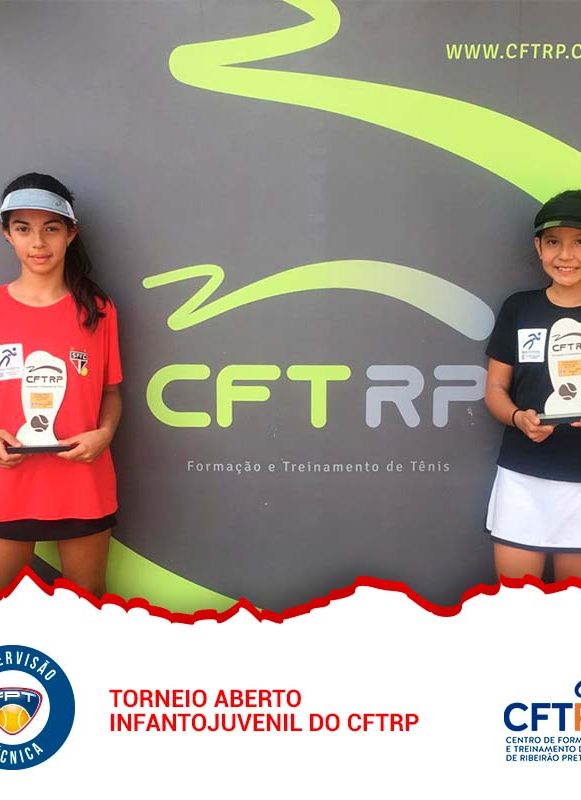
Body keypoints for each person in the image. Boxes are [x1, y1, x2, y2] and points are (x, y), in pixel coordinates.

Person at [0, 173, 122, 596]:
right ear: (7, 234)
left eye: (51, 228)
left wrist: (104, 434)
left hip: (82, 483)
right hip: (9, 483)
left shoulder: (98, 310)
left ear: (71, 234)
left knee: (86, 601)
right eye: (23, 229)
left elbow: (111, 392)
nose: (38, 243)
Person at [485, 190, 581, 581]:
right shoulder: (519, 308)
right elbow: (495, 389)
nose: (566, 255)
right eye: (554, 242)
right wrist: (517, 418)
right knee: (517, 603)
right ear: (538, 247)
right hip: (523, 476)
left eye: (579, 242)